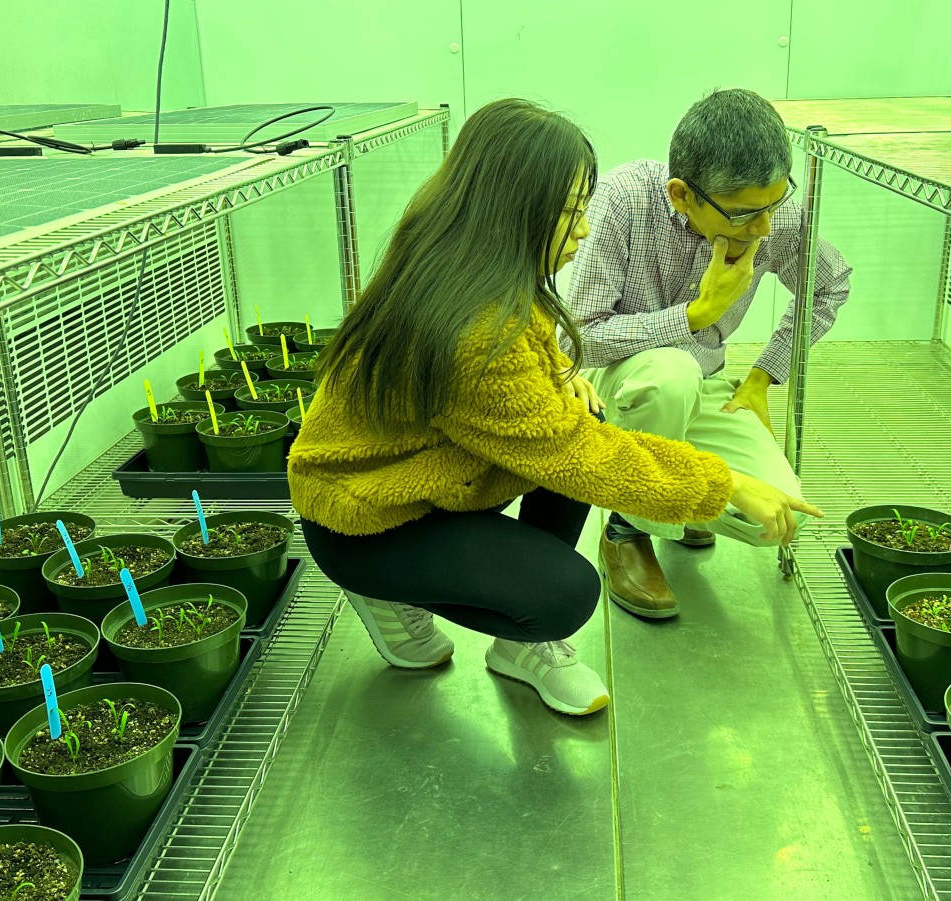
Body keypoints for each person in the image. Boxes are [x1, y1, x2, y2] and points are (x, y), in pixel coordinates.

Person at [286, 98, 823, 717]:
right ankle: (392, 591)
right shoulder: (474, 332)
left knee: (586, 416)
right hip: (364, 515)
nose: (586, 231)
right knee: (564, 594)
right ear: (511, 214)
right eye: (570, 216)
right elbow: (579, 453)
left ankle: (514, 646)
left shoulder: (468, 261)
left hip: (425, 477)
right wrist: (724, 480)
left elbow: (552, 370)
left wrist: (562, 373)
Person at [563, 88, 852, 621]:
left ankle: (683, 496)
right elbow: (576, 337)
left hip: (706, 385)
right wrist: (693, 316)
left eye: (775, 203)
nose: (764, 228)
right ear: (680, 195)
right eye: (744, 215)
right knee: (669, 374)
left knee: (782, 518)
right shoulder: (626, 199)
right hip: (622, 390)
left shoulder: (772, 217)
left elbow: (829, 286)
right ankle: (627, 529)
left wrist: (764, 375)